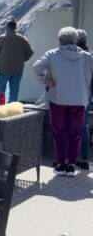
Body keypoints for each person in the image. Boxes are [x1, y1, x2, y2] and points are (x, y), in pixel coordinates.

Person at [33, 27, 93, 177]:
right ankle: (71, 166)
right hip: (79, 100)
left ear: (60, 41)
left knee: (59, 133)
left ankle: (60, 165)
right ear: (75, 41)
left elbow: (36, 67)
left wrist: (47, 81)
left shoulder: (52, 54)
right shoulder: (87, 56)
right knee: (75, 134)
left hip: (58, 99)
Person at [0, 18, 34, 104]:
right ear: (16, 28)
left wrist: (1, 58)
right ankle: (11, 111)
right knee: (14, 93)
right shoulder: (22, 39)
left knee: (0, 92)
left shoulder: (2, 39)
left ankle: (0, 108)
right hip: (18, 69)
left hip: (3, 69)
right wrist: (23, 59)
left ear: (7, 27)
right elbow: (30, 52)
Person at [76, 29, 92, 170]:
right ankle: (84, 158)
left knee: (70, 127)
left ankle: (70, 158)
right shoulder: (90, 56)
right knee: (83, 127)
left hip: (74, 96)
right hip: (87, 97)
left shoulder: (76, 57)